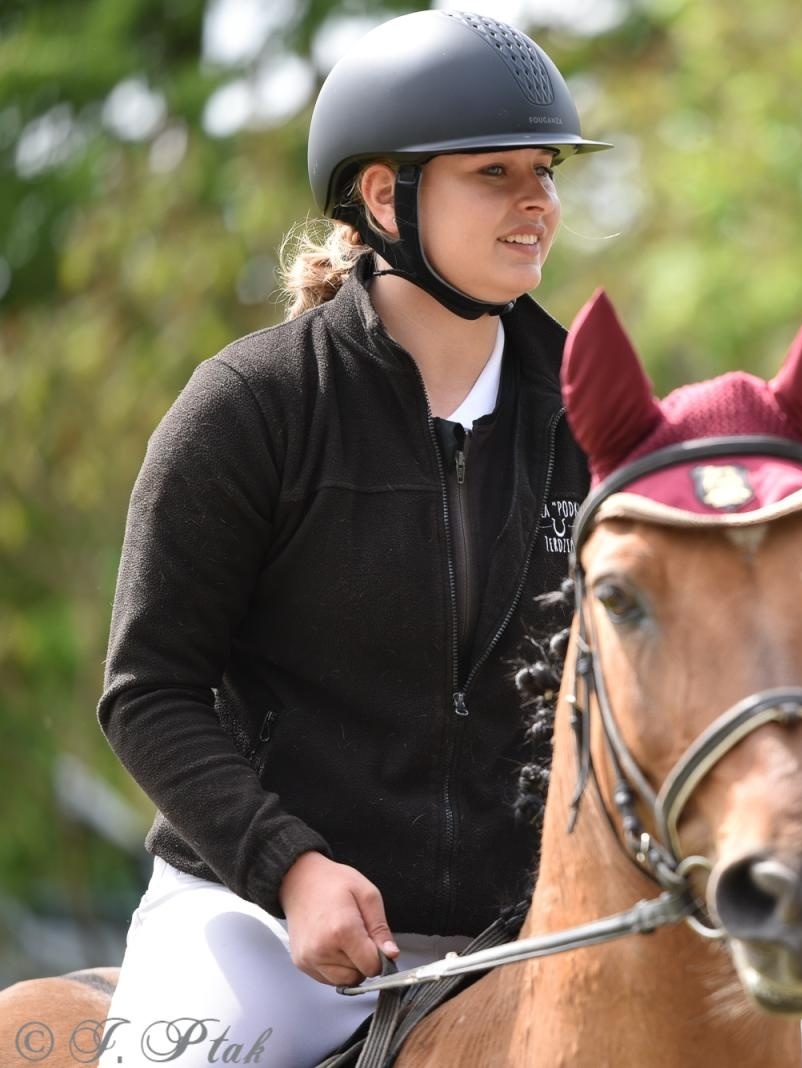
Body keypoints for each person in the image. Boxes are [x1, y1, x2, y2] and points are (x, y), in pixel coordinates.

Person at [96, 11, 593, 1066]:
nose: (537, 202)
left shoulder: (592, 415)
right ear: (384, 197)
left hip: (537, 931)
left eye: (545, 171)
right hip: (263, 927)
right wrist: (288, 865)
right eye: (494, 173)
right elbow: (151, 689)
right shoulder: (251, 406)